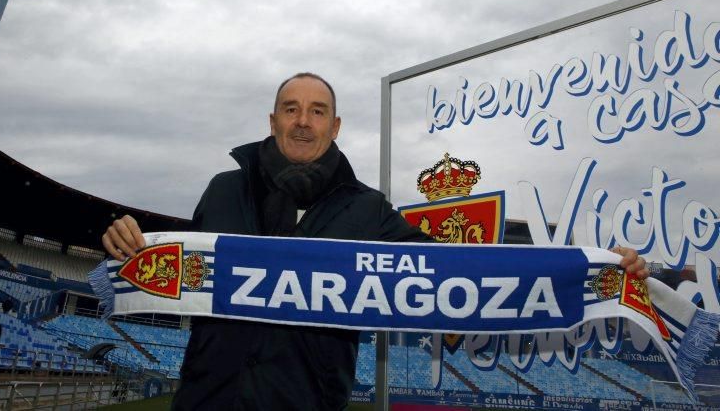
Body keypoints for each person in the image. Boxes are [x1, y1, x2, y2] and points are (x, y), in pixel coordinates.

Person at [102, 72, 648, 410]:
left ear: (335, 127)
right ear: (272, 121)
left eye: (317, 112)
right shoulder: (223, 189)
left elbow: (460, 275)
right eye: (291, 109)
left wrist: (593, 269)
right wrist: (126, 243)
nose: (302, 122)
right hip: (207, 400)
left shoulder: (367, 209)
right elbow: (179, 272)